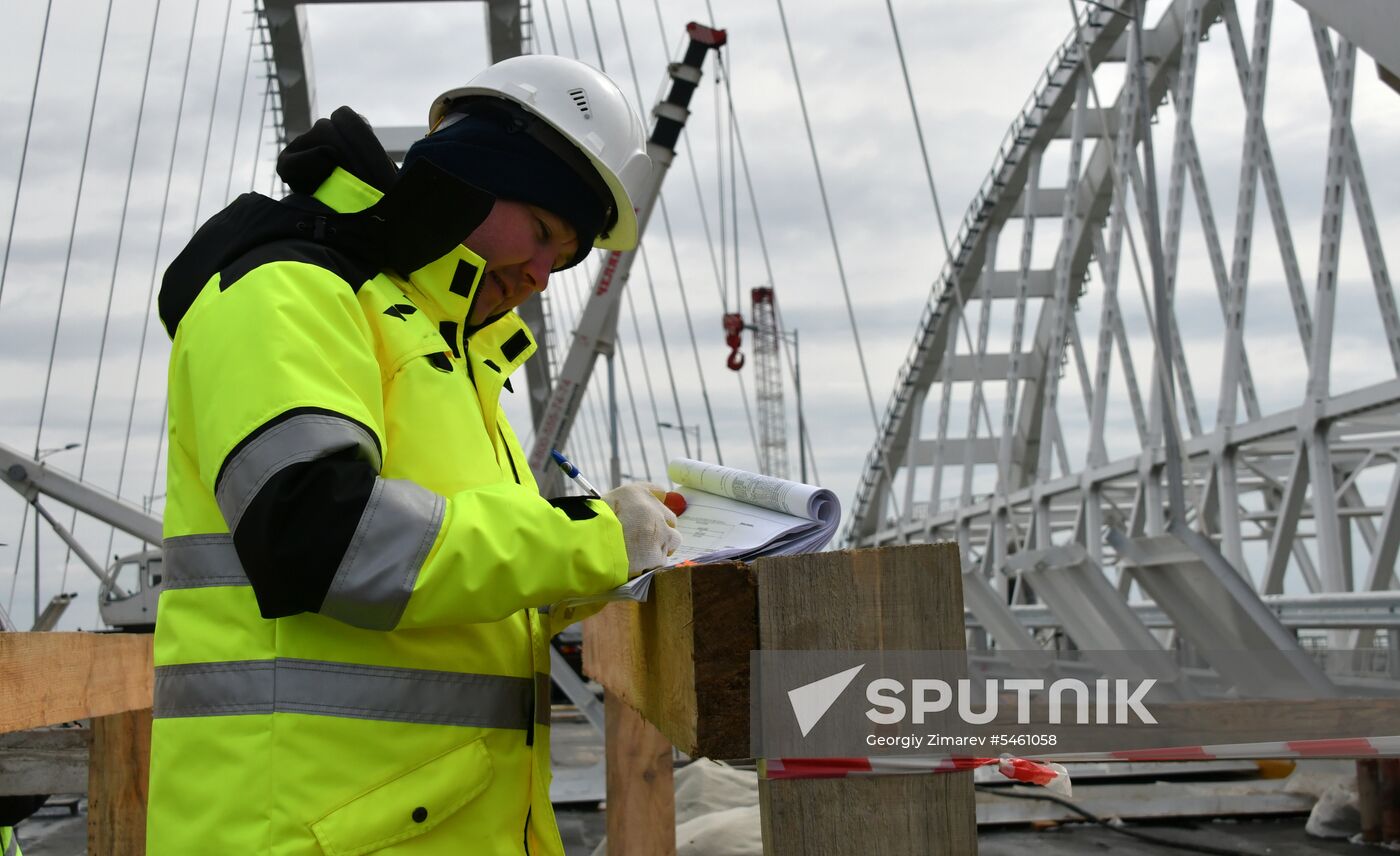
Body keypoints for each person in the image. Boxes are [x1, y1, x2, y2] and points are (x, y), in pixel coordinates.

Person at [146, 55, 681, 855]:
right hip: (298, 833)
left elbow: (444, 586)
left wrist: (612, 561)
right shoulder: (288, 290)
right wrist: (593, 538)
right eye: (540, 233)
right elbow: (321, 539)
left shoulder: (443, 353)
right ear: (471, 177)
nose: (540, 277)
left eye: (561, 259)